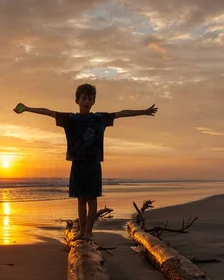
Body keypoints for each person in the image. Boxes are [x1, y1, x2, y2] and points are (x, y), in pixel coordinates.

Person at [13, 83, 158, 241]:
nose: (87, 101)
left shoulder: (99, 118)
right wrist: (27, 108)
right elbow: (48, 112)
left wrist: (143, 112)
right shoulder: (70, 119)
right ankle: (82, 232)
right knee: (81, 200)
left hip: (93, 164)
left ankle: (88, 232)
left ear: (93, 101)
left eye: (90, 98)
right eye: (84, 98)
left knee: (92, 199)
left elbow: (122, 113)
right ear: (77, 100)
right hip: (77, 163)